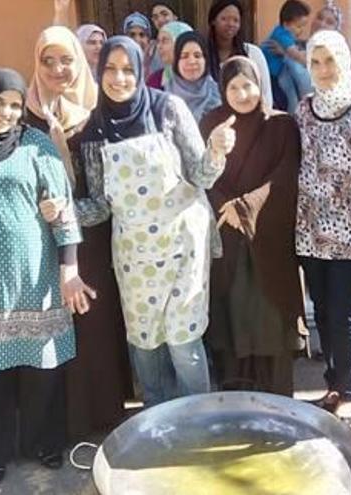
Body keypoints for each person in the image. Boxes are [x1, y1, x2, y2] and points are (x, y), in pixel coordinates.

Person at [0, 68, 93, 487]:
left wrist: (70, 269)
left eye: (14, 104)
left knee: (42, 365)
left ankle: (44, 443)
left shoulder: (36, 145)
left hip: (36, 273)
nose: (6, 112)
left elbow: (63, 210)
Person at [73, 36, 235, 408]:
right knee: (145, 342)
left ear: (141, 70)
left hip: (182, 245)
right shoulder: (94, 130)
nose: (119, 78)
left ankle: (197, 418)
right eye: (110, 70)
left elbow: (200, 176)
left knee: (183, 340)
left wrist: (216, 150)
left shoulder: (168, 109)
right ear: (99, 73)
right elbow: (100, 206)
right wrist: (62, 212)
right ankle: (156, 421)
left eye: (128, 69)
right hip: (134, 255)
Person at [295, 30, 351, 423]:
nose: (323, 69)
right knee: (324, 312)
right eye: (315, 61)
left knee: (344, 311)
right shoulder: (304, 108)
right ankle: (333, 384)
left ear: (344, 60)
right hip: (310, 231)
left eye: (329, 60)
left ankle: (349, 392)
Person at [200, 56, 302, 395]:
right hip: (226, 234)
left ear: (260, 85)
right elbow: (203, 174)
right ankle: (236, 386)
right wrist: (224, 208)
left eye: (248, 85)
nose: (242, 93)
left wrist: (246, 207)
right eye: (233, 87)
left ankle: (273, 392)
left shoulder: (281, 124)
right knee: (232, 311)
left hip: (268, 233)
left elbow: (285, 175)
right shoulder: (212, 124)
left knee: (267, 311)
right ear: (222, 90)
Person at [25, 26, 98, 142]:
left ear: (78, 62)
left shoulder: (99, 107)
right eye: (48, 61)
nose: (57, 70)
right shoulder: (21, 112)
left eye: (66, 60)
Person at [206, 0, 274, 109]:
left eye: (236, 20)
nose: (231, 24)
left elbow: (265, 93)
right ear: (213, 21)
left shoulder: (253, 53)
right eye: (224, 19)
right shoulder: (203, 55)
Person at [262, 0, 313, 113]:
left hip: (279, 71)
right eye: (299, 26)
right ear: (286, 24)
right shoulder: (282, 34)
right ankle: (292, 117)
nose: (301, 30)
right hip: (274, 74)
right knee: (291, 97)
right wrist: (309, 61)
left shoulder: (282, 33)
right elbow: (296, 56)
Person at [170, 32, 222, 123]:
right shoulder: (163, 97)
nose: (192, 61)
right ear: (176, 61)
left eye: (197, 55)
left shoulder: (219, 95)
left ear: (206, 60)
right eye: (184, 56)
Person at [146, 20, 192, 90]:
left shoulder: (200, 79)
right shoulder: (155, 80)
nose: (159, 46)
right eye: (158, 41)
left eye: (165, 41)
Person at [147, 2, 180, 74]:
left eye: (164, 14)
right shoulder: (151, 48)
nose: (160, 20)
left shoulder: (188, 42)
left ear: (175, 17)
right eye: (155, 17)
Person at [122, 12, 156, 77]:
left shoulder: (158, 62)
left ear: (148, 39)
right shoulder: (119, 63)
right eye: (132, 35)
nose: (137, 40)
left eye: (142, 35)